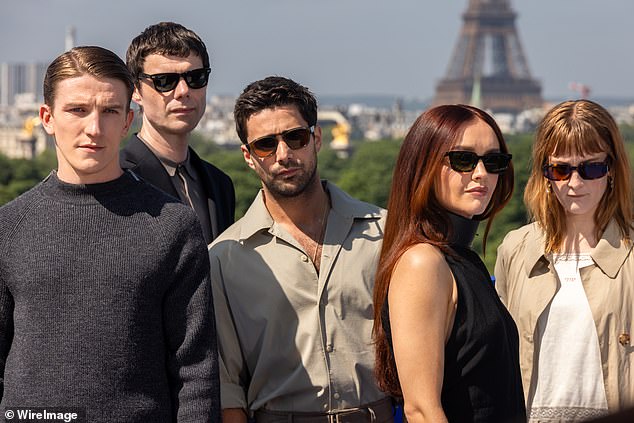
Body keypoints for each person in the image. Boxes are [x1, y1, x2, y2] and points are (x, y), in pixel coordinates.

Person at [0, 46, 220, 422]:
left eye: (109, 111)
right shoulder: (9, 228)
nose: (94, 128)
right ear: (47, 118)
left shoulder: (172, 226)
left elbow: (196, 371)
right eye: (77, 110)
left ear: (127, 120)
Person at [209, 76, 394, 423]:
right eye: (266, 144)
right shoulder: (224, 258)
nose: (283, 154)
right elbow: (227, 385)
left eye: (295, 137)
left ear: (317, 138)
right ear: (248, 158)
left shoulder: (384, 232)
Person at [373, 104, 526, 423]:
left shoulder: (462, 258)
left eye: (494, 161)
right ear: (423, 164)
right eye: (464, 160)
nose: (481, 173)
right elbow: (422, 410)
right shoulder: (422, 263)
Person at [495, 99, 634, 421]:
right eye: (560, 169)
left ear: (612, 169)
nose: (574, 183)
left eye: (591, 168)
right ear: (545, 172)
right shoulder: (516, 249)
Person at [121, 21, 235, 244]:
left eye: (196, 78)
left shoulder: (221, 184)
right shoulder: (115, 179)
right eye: (165, 81)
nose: (183, 91)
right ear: (135, 90)